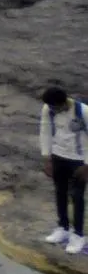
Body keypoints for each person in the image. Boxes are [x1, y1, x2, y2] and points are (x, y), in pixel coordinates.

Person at [41, 86, 88, 253]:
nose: (52, 110)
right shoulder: (48, 108)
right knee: (60, 192)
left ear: (63, 103)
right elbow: (45, 131)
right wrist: (47, 158)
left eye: (55, 107)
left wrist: (87, 165)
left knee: (77, 196)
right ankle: (63, 227)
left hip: (79, 160)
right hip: (58, 156)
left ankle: (79, 235)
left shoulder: (83, 112)